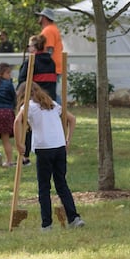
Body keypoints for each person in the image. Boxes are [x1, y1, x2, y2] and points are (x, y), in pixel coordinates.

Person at [14, 82, 84, 230]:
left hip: (44, 148)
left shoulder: (28, 106)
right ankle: (74, 218)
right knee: (61, 184)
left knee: (44, 187)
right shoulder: (50, 103)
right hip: (59, 146)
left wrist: (19, 145)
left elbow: (17, 121)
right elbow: (72, 119)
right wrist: (68, 140)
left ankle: (47, 224)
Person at [18, 34, 58, 102]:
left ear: (34, 47)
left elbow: (22, 81)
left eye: (29, 46)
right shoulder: (51, 62)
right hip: (50, 99)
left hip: (34, 99)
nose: (28, 48)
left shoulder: (30, 62)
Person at [36, 10, 66, 87]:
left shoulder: (48, 30)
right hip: (56, 66)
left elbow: (49, 49)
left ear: (44, 18)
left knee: (49, 93)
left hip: (51, 67)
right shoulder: (54, 29)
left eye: (40, 16)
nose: (39, 18)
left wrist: (45, 65)